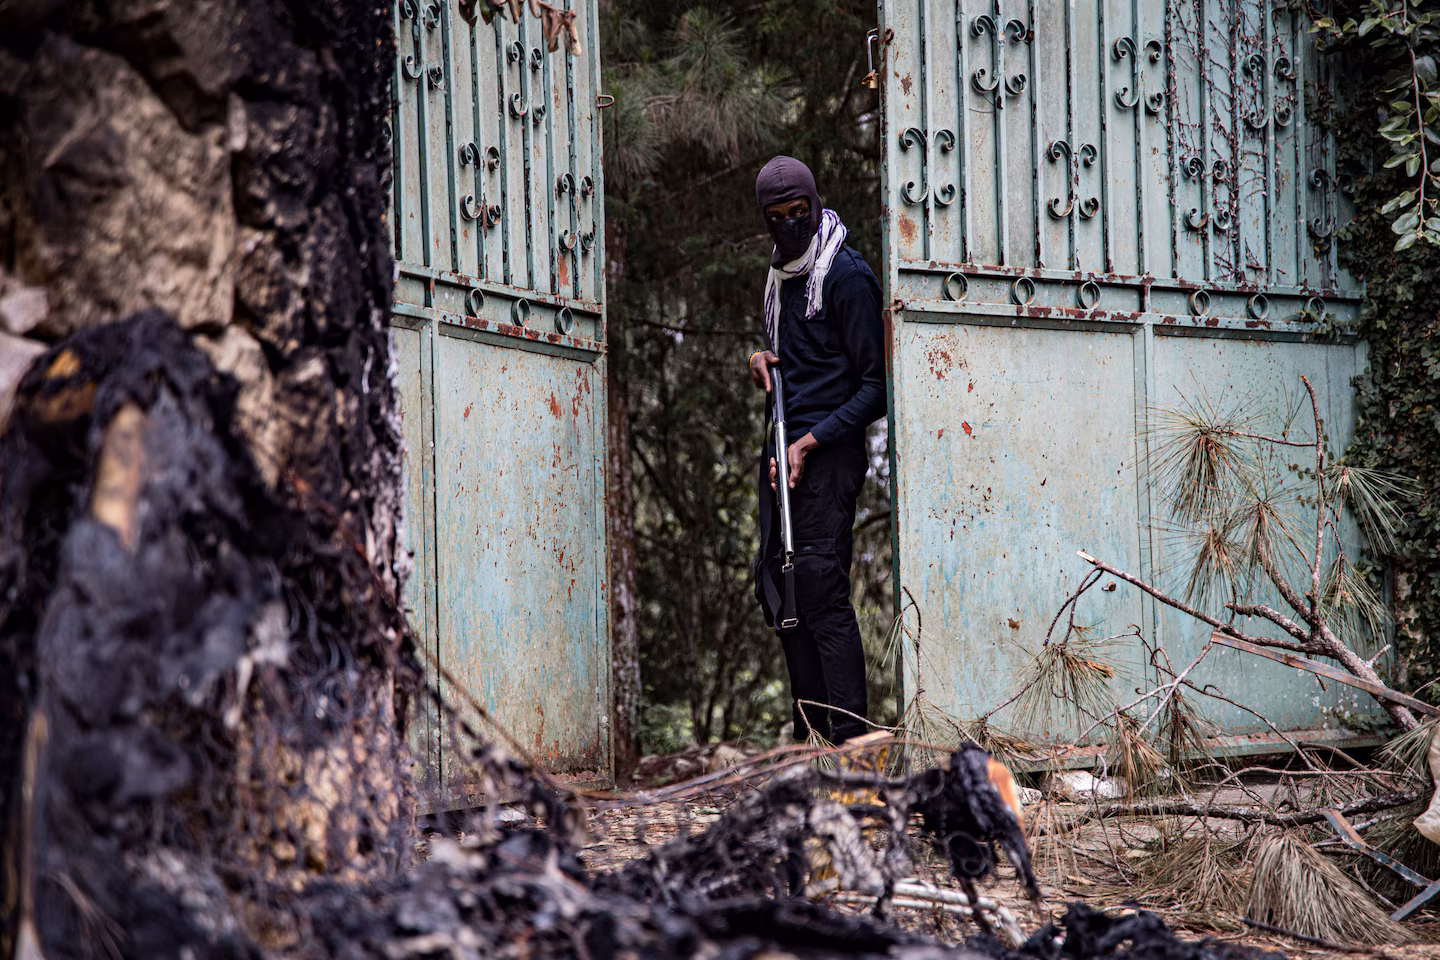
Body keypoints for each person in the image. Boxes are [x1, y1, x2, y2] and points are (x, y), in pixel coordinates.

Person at [749, 156, 886, 745]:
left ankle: (852, 746)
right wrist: (762, 360)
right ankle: (811, 743)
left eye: (798, 213)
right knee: (780, 591)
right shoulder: (780, 275)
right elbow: (793, 358)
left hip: (826, 453)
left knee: (822, 588)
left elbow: (877, 387)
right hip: (782, 444)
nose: (789, 226)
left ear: (814, 203)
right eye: (776, 218)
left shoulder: (847, 276)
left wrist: (812, 440)